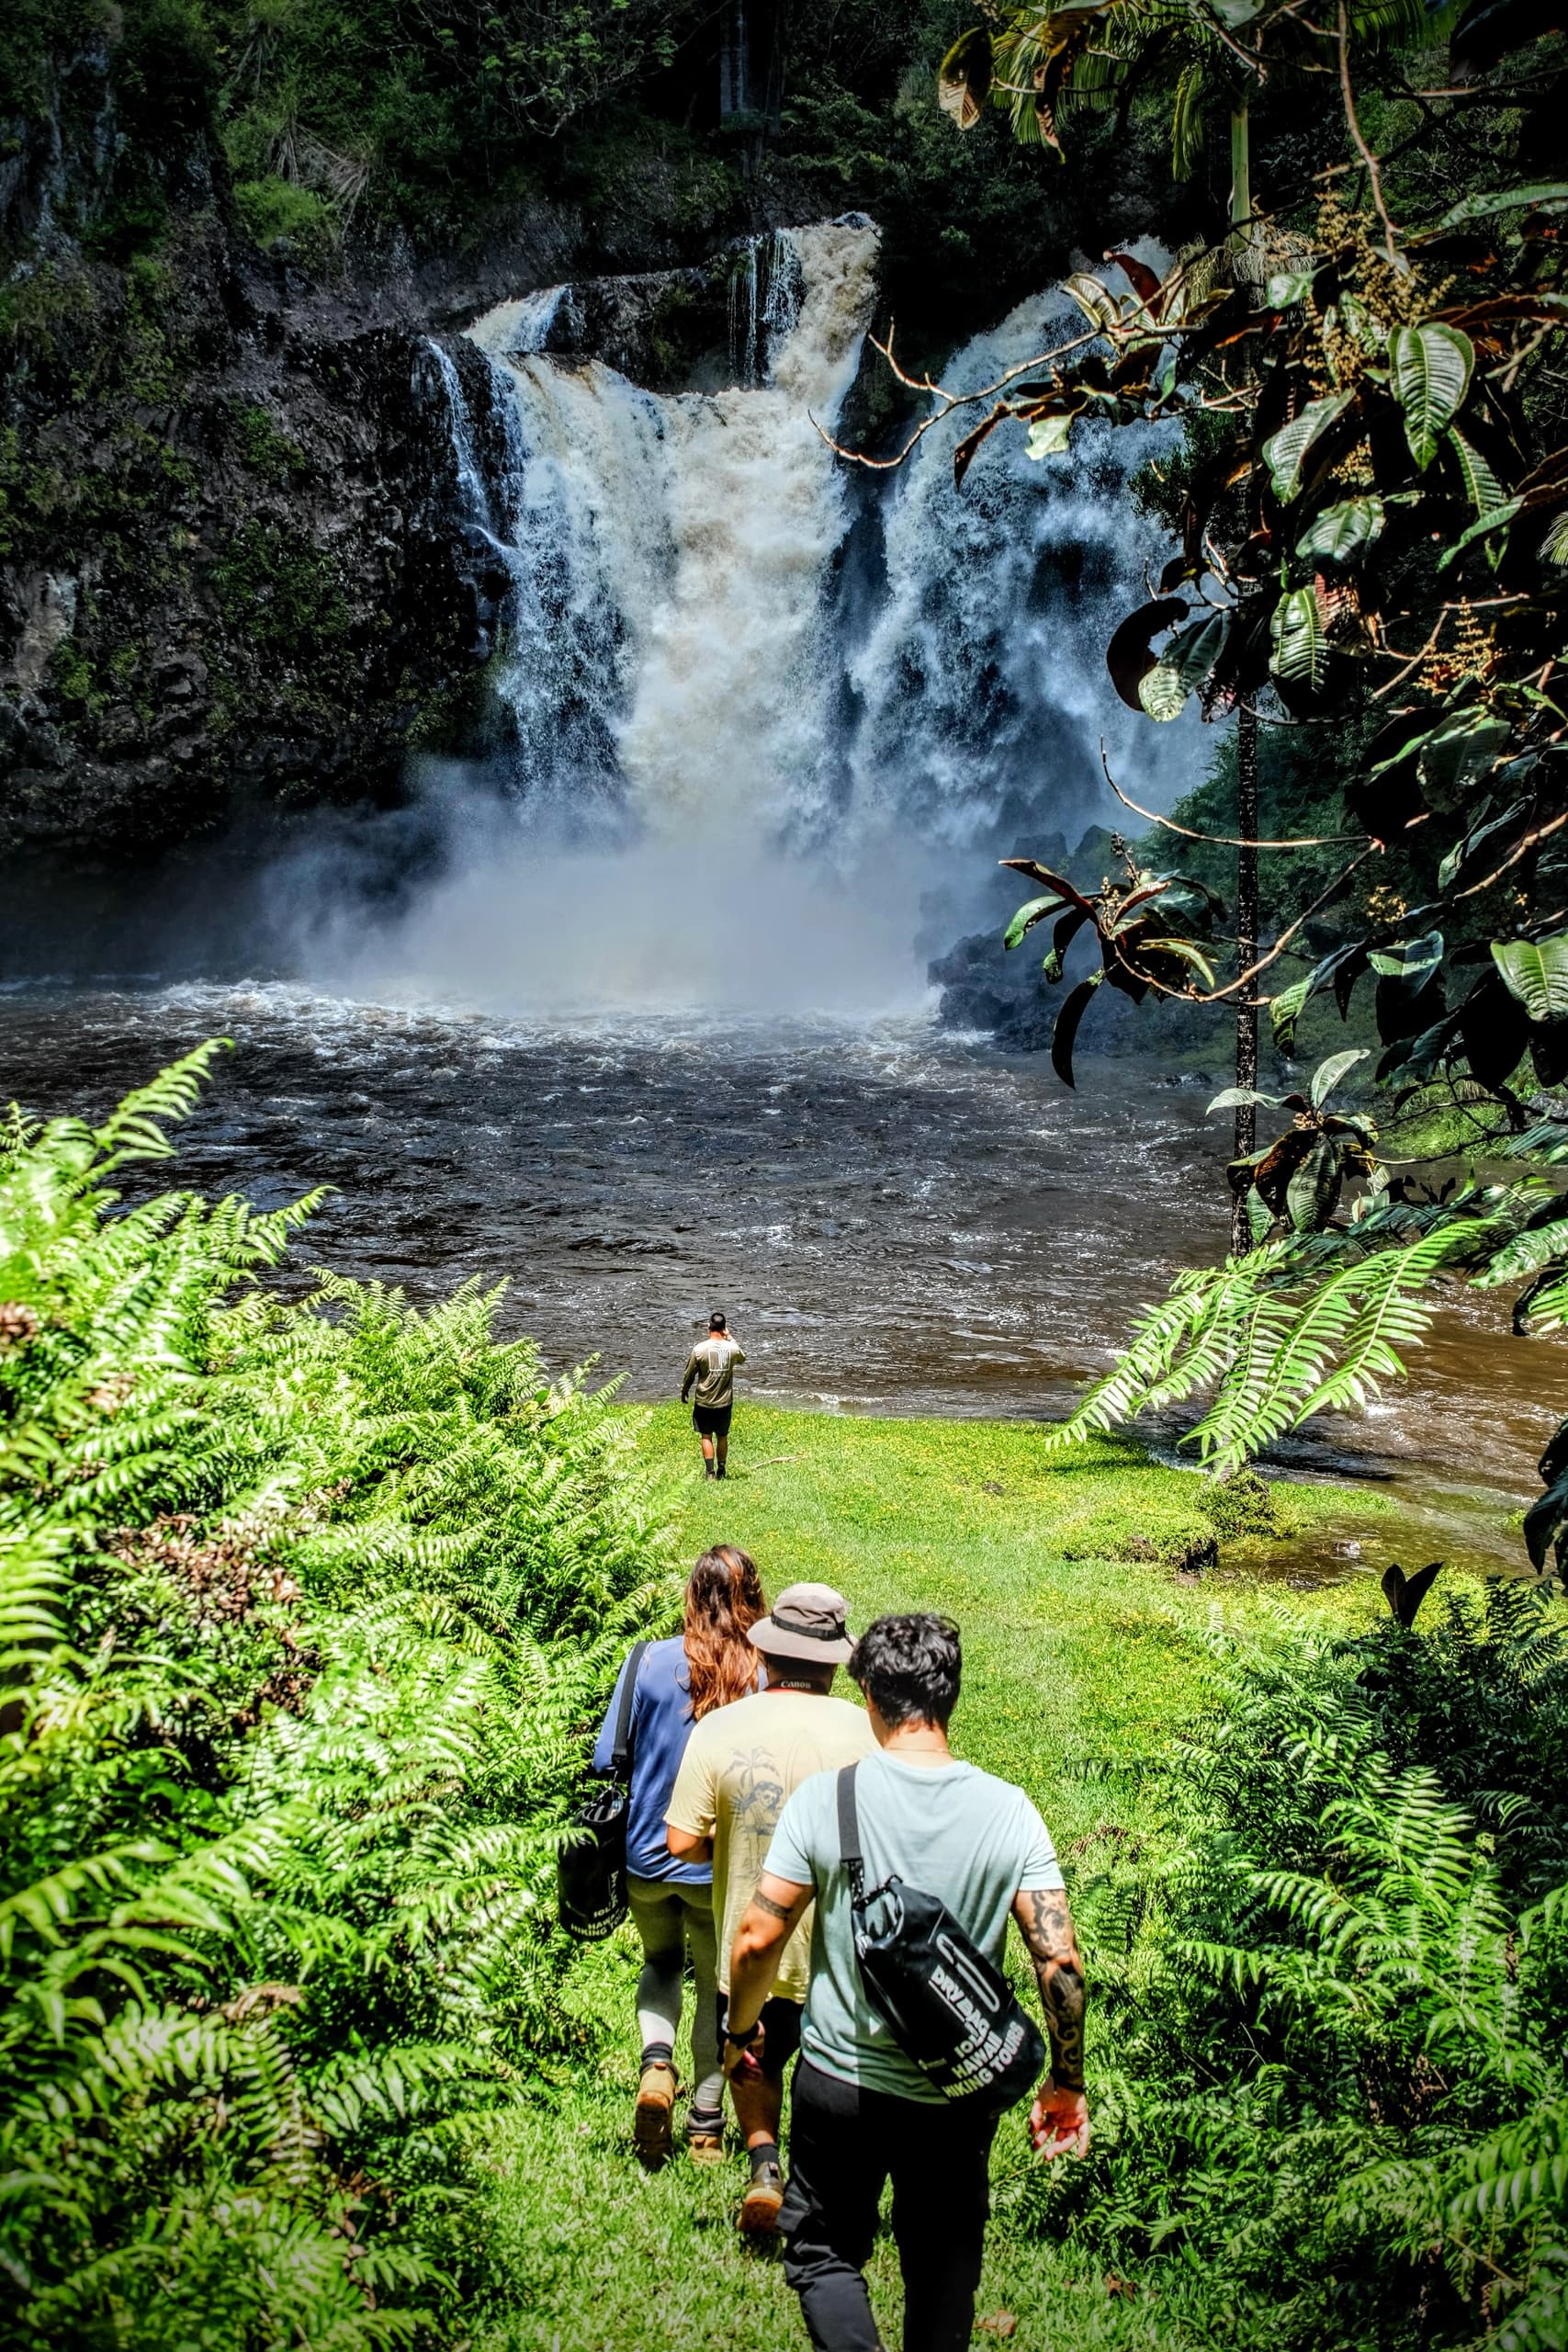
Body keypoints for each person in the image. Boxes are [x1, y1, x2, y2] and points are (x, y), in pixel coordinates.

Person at [722, 1611, 1090, 2352]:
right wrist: (1066, 2083)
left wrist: (741, 2032)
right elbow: (1060, 1964)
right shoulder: (1009, 1810)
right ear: (951, 1694)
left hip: (840, 2083)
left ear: (867, 1696)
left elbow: (756, 1939)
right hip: (955, 2096)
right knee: (945, 2271)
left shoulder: (827, 1801)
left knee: (823, 2253)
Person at [665, 1581, 874, 2235]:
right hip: (843, 1948)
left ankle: (763, 2161)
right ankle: (829, 2187)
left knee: (752, 2054)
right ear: (836, 1662)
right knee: (835, 2064)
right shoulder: (871, 1731)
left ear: (767, 1656)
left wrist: (730, 1847)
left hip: (749, 1934)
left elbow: (680, 1841)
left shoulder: (720, 1727)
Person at [592, 1544, 765, 2167]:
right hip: (718, 1865)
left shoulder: (646, 1661)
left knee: (661, 1962)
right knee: (719, 1991)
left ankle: (656, 2069)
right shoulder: (762, 1674)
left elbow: (603, 1757)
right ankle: (705, 2126)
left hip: (645, 1855)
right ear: (751, 1601)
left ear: (690, 1597)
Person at [681, 1310, 745, 1479]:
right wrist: (730, 1337)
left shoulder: (699, 1349)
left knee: (706, 1435)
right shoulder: (732, 1348)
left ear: (708, 1326)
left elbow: (689, 1374)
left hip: (704, 1401)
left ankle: (710, 1473)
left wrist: (684, 1390)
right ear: (724, 1328)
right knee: (722, 1436)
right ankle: (721, 1471)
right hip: (725, 1401)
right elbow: (743, 1358)